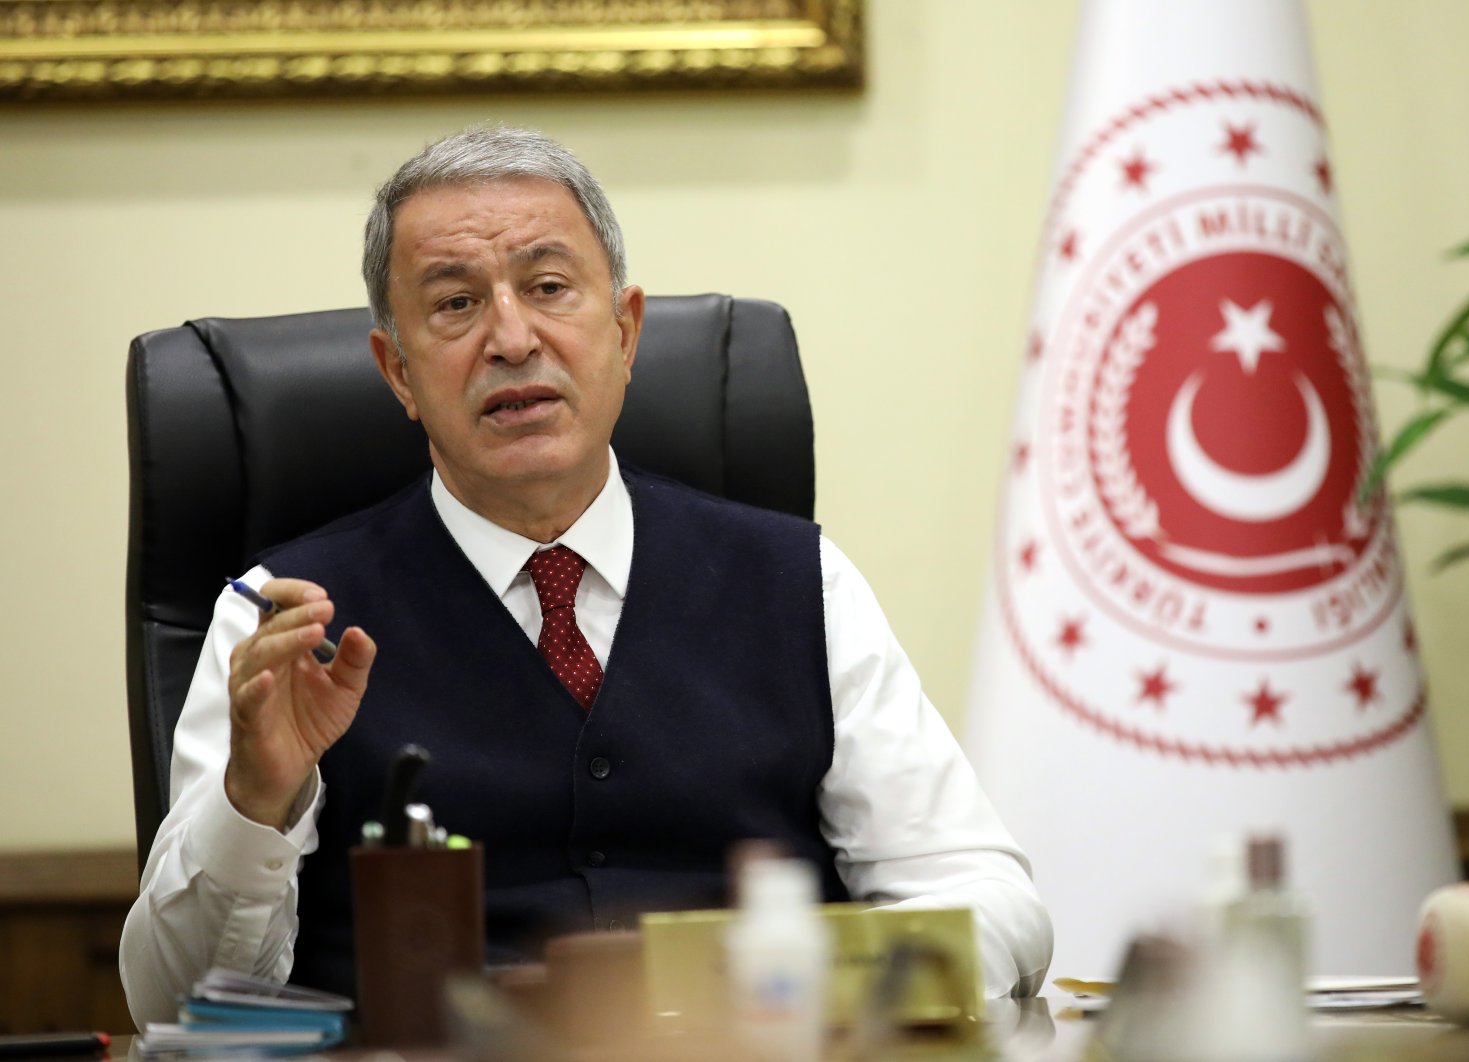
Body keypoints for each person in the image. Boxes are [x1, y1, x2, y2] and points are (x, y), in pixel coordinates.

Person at [118, 126, 1052, 1027]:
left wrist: (783, 991)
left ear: (626, 330)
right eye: (455, 304)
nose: (512, 338)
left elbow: (990, 903)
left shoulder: (799, 584)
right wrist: (257, 804)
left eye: (550, 286)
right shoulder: (281, 619)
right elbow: (170, 1003)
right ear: (396, 372)